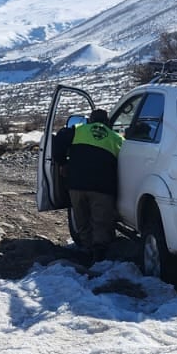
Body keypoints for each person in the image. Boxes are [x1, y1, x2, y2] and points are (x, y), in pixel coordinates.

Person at [51, 109, 122, 261]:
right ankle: (100, 254)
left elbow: (58, 141)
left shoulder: (78, 130)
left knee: (82, 219)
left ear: (90, 120)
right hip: (102, 188)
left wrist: (63, 163)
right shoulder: (116, 138)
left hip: (76, 185)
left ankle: (86, 249)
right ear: (107, 122)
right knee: (101, 222)